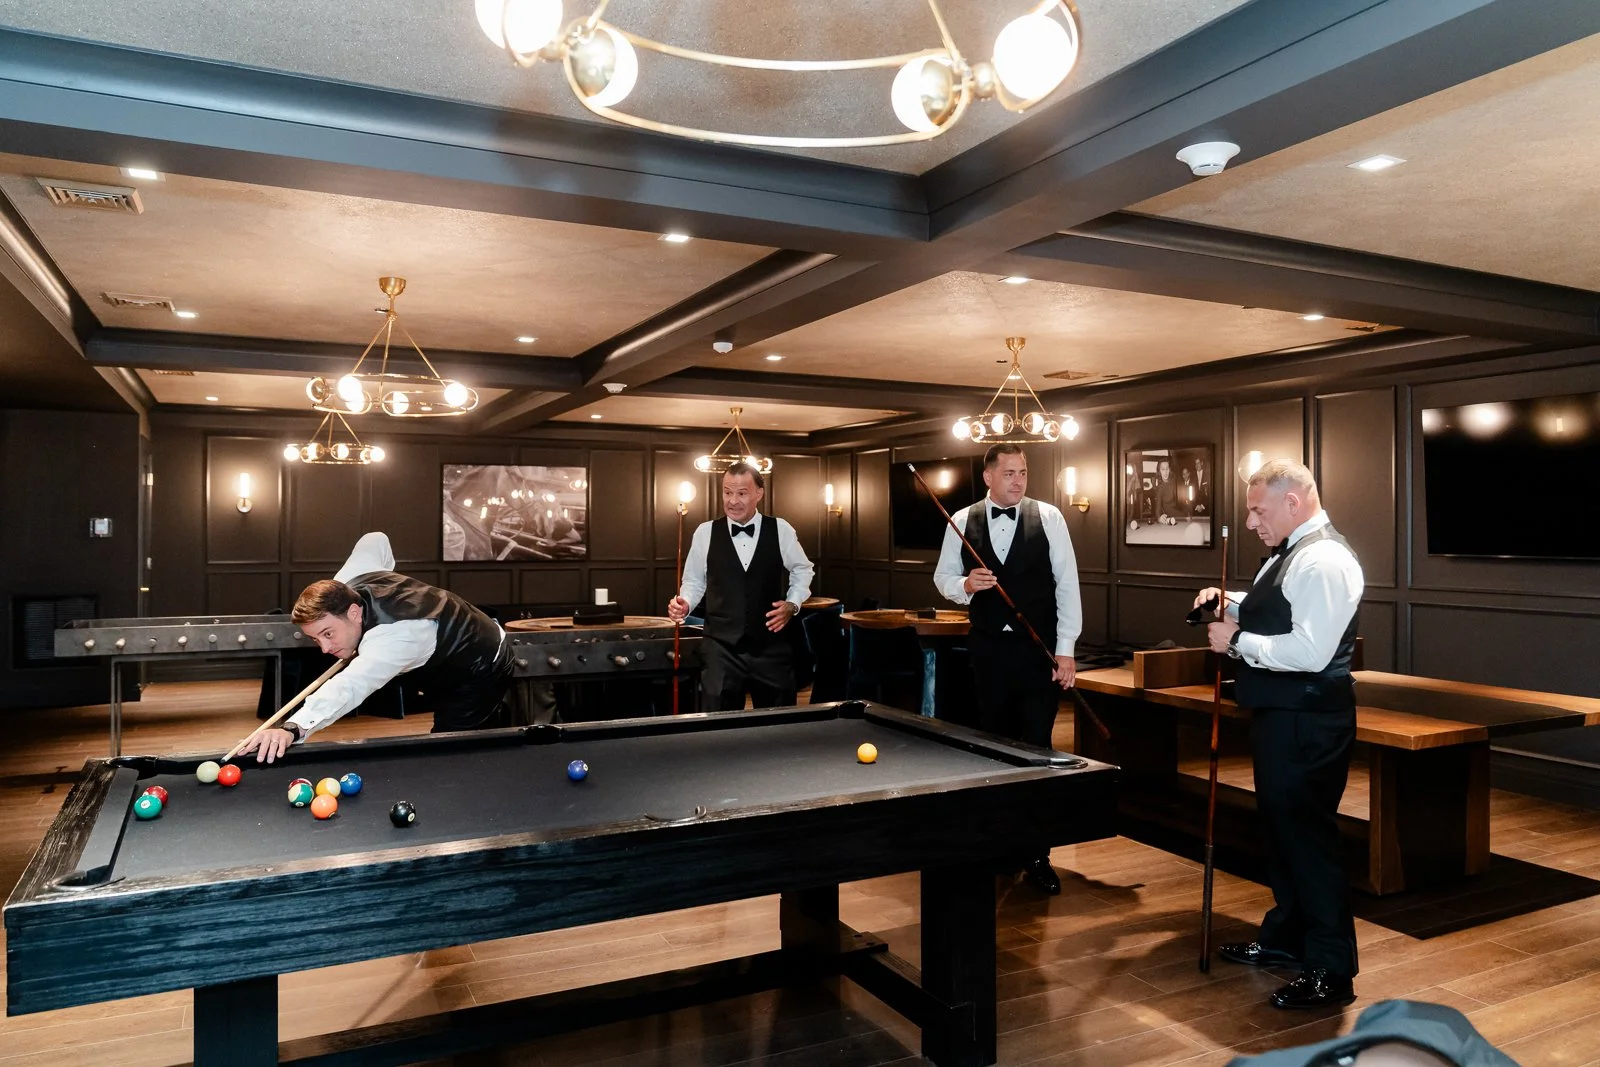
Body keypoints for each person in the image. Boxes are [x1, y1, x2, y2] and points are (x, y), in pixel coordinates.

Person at [1194, 458, 1364, 1010]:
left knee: (1309, 844)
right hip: (1282, 717)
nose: (1250, 522)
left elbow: (1311, 652)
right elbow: (1277, 610)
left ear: (1293, 503)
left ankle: (1330, 971)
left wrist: (1237, 641)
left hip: (1308, 721)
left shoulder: (1324, 561)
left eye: (1257, 510)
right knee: (1283, 837)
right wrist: (1229, 603)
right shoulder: (1289, 556)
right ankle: (1288, 941)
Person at [933, 443, 1082, 894]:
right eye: (1010, 472)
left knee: (1036, 749)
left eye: (1023, 472)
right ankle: (999, 844)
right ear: (989, 477)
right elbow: (942, 579)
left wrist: (1067, 650)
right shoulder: (961, 521)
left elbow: (1068, 585)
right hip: (988, 654)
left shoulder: (1050, 518)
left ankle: (1038, 853)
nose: (1018, 480)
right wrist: (965, 584)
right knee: (995, 749)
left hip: (1039, 656)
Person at [237, 531, 514, 762]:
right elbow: (375, 539)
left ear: (355, 614)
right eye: (315, 639)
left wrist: (292, 729)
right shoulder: (349, 582)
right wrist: (387, 578)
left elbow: (348, 687)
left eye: (328, 633)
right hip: (438, 655)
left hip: (481, 664)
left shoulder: (394, 638)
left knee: (448, 746)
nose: (324, 648)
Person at [667, 462, 815, 711]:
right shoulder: (705, 533)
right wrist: (685, 603)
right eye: (727, 492)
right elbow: (693, 581)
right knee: (718, 725)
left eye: (742, 493)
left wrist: (793, 603)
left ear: (759, 493)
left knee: (777, 724)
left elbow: (803, 569)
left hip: (771, 645)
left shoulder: (781, 529)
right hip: (720, 648)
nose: (733, 500)